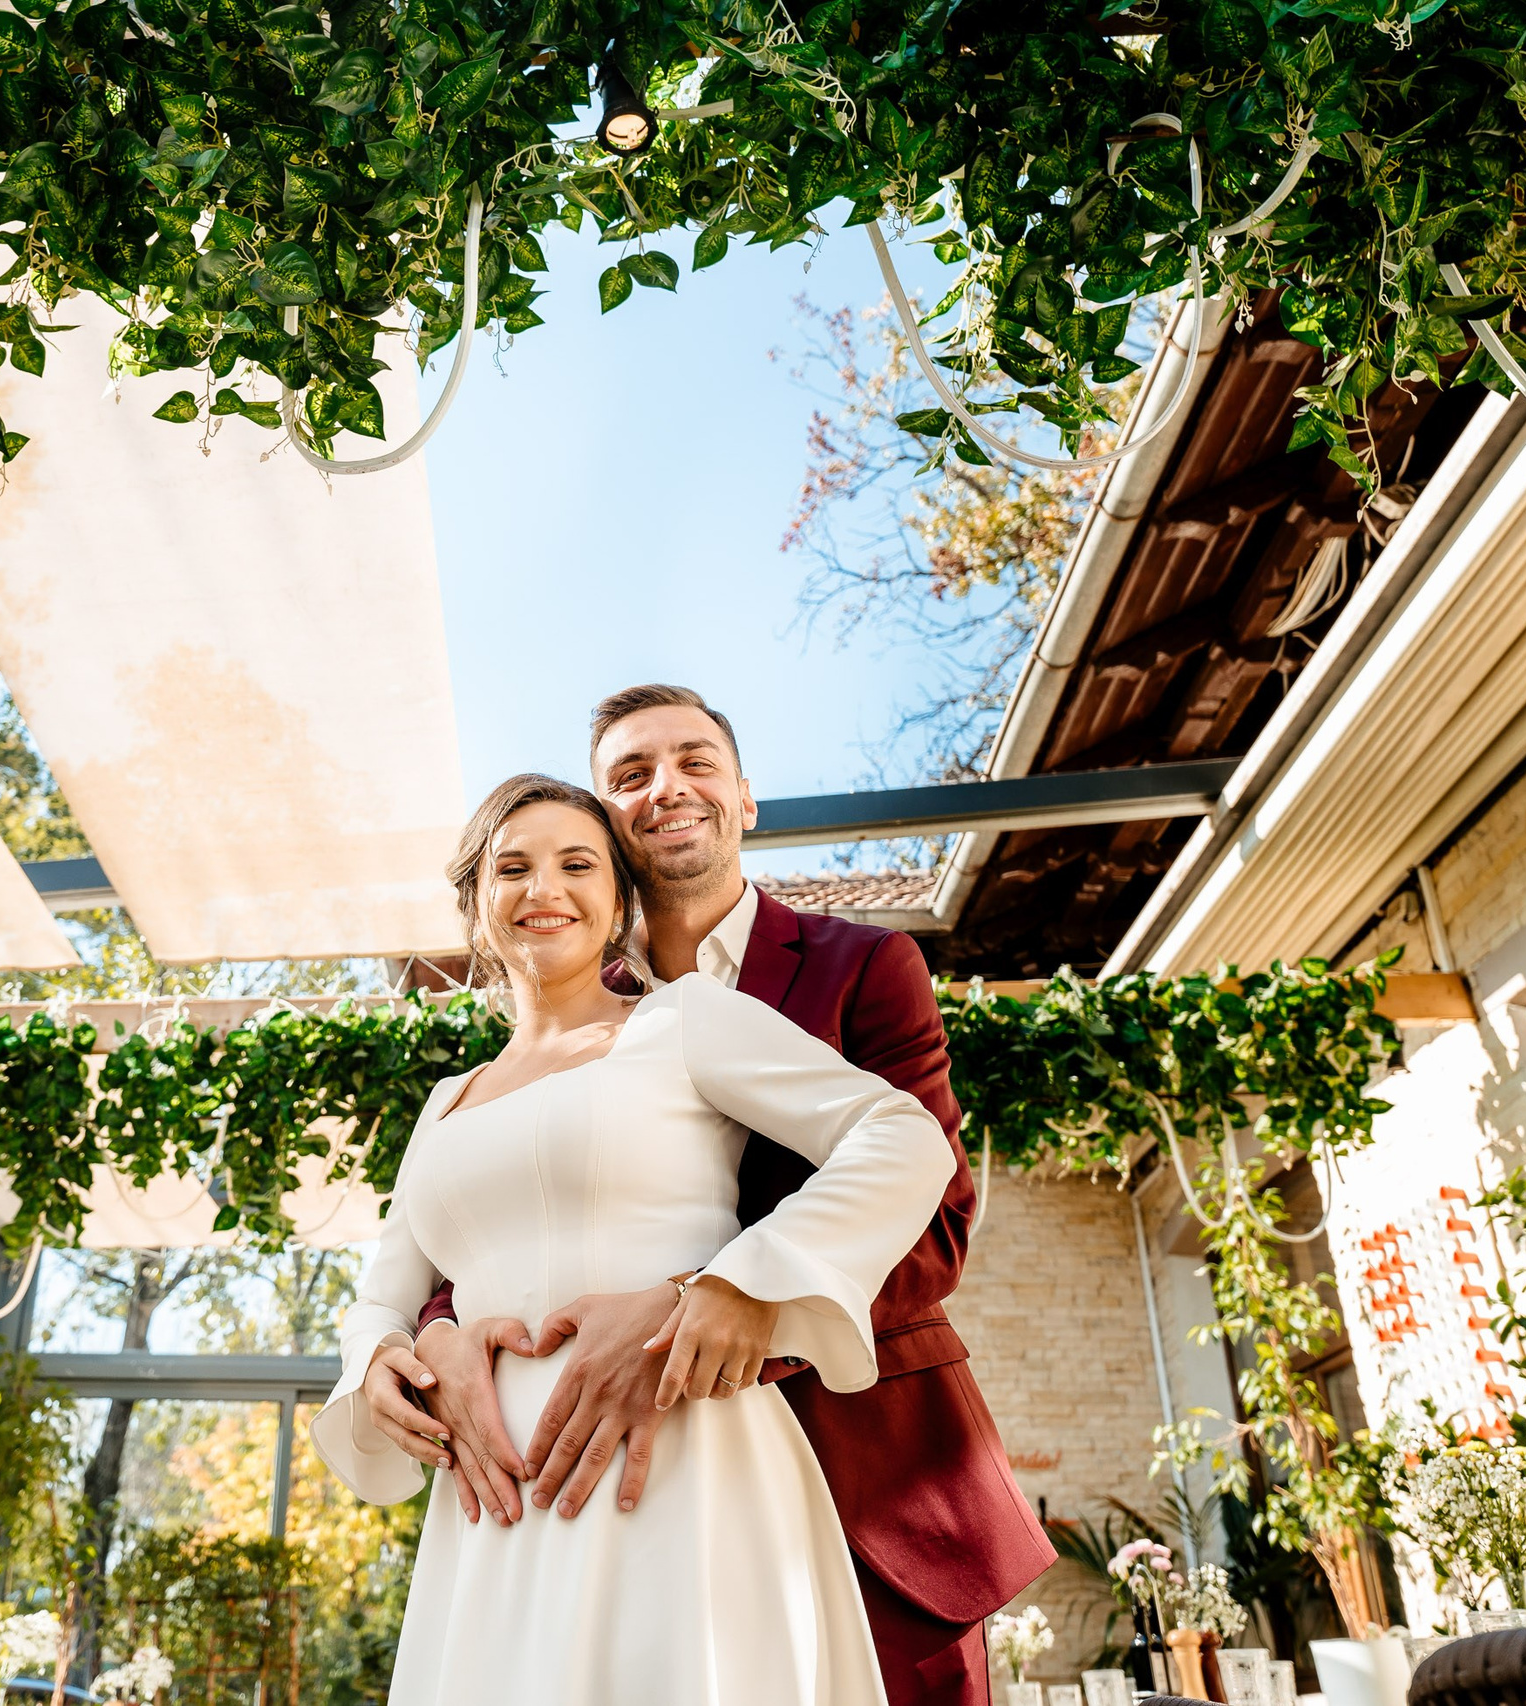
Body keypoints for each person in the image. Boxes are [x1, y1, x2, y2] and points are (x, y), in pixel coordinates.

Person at [358, 685, 1053, 1706]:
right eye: (630, 775)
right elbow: (472, 1232)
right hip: (535, 1484)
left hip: (859, 1471)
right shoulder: (556, 1035)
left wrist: (708, 1309)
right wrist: (435, 1335)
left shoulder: (849, 969)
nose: (665, 788)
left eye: (693, 760)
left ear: (745, 796)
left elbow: (934, 1215)